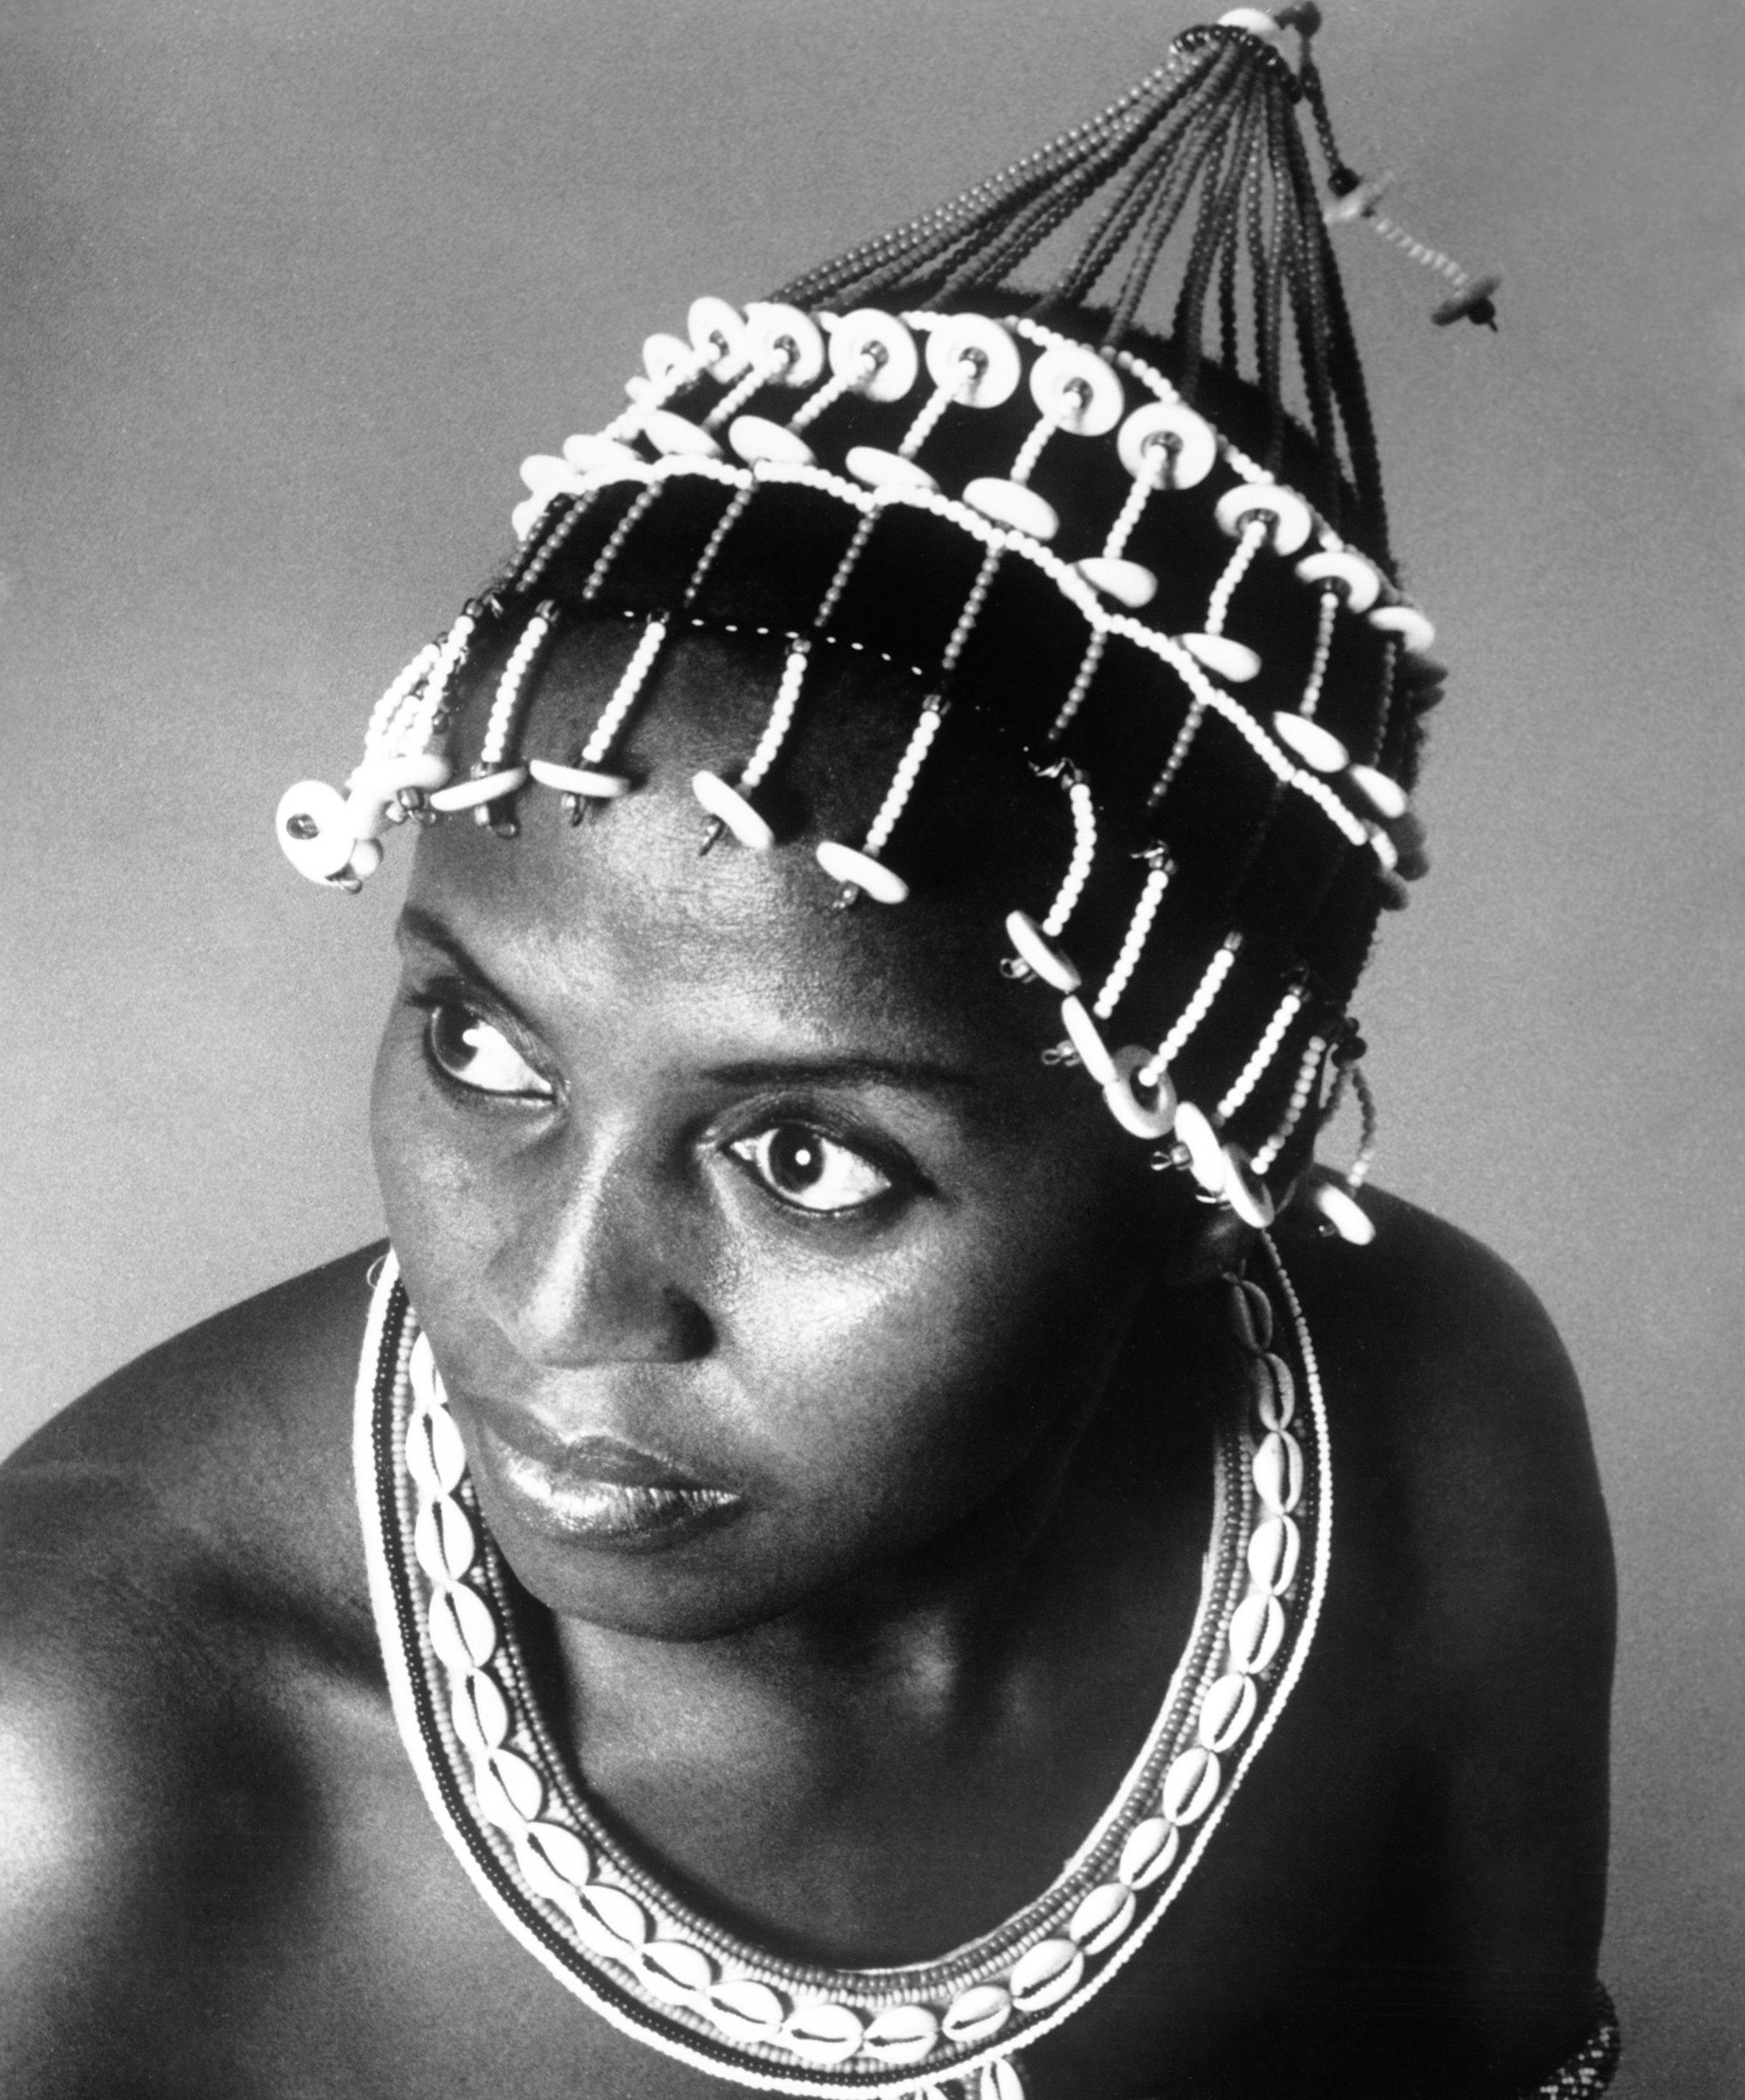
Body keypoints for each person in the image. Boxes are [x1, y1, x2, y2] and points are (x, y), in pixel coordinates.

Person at [0, 10, 1617, 2096]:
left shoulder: (1424, 1435)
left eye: (811, 1159)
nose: (560, 1301)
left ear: (1203, 1174)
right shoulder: (87, 1754)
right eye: (484, 1049)